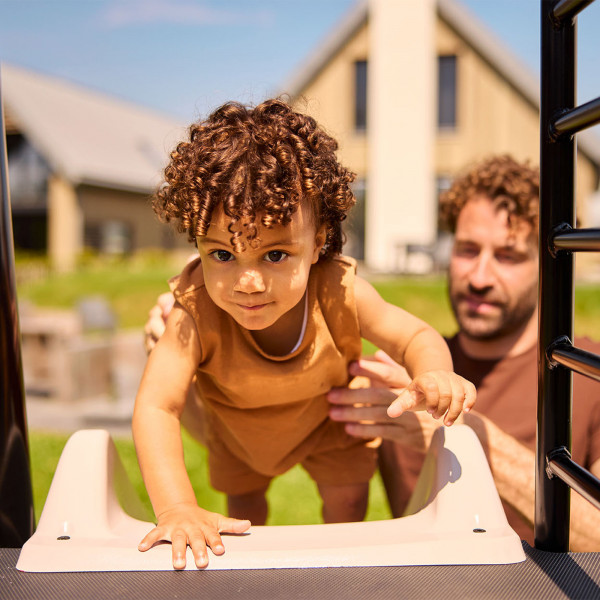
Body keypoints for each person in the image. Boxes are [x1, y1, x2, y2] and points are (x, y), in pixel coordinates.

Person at [133, 99, 476, 570]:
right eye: (222, 255)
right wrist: (176, 508)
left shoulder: (340, 290)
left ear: (317, 243)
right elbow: (157, 405)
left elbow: (413, 335)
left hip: (328, 424)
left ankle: (340, 575)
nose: (246, 282)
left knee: (347, 506)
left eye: (275, 256)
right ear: (197, 240)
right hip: (238, 432)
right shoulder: (193, 311)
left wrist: (435, 374)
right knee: (243, 518)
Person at [328, 155, 600, 551]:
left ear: (549, 265)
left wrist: (457, 433)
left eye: (507, 256)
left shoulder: (586, 372)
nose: (479, 277)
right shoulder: (400, 377)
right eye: (468, 250)